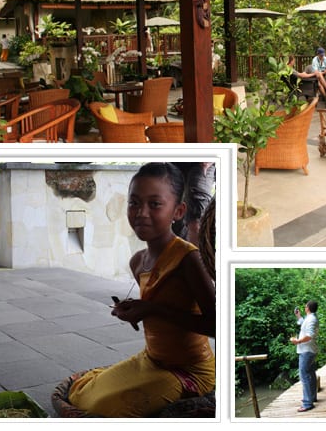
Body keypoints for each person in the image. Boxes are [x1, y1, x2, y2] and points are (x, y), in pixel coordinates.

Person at [67, 163, 215, 417]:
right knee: (80, 393)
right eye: (134, 203)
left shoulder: (189, 259)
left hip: (190, 371)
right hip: (151, 359)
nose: (141, 213)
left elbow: (216, 325)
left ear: (178, 211)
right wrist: (136, 310)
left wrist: (152, 309)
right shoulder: (137, 261)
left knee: (103, 408)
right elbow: (162, 304)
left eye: (155, 204)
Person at [290, 300, 319, 412]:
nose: (304, 307)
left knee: (304, 375)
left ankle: (307, 403)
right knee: (310, 373)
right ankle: (311, 397)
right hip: (309, 350)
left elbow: (310, 335)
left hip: (307, 351)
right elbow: (305, 325)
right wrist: (298, 316)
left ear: (308, 308)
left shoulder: (311, 319)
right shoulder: (311, 318)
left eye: (305, 306)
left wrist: (298, 341)